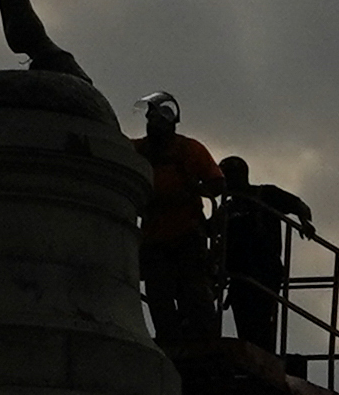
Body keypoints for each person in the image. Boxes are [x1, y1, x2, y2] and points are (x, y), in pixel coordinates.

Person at [135, 92, 226, 343]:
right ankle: (169, 339)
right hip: (153, 237)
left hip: (186, 234)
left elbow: (217, 183)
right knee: (158, 293)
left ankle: (204, 340)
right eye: (149, 118)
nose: (151, 123)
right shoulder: (138, 149)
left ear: (169, 122)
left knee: (194, 291)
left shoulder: (189, 149)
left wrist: (186, 194)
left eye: (155, 118)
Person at [214, 154, 315, 356]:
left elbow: (298, 205)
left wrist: (304, 222)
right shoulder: (226, 209)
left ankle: (264, 357)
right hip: (238, 277)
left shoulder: (265, 194)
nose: (230, 181)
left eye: (232, 176)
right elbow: (210, 232)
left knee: (261, 321)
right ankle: (254, 355)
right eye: (226, 177)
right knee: (245, 324)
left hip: (264, 272)